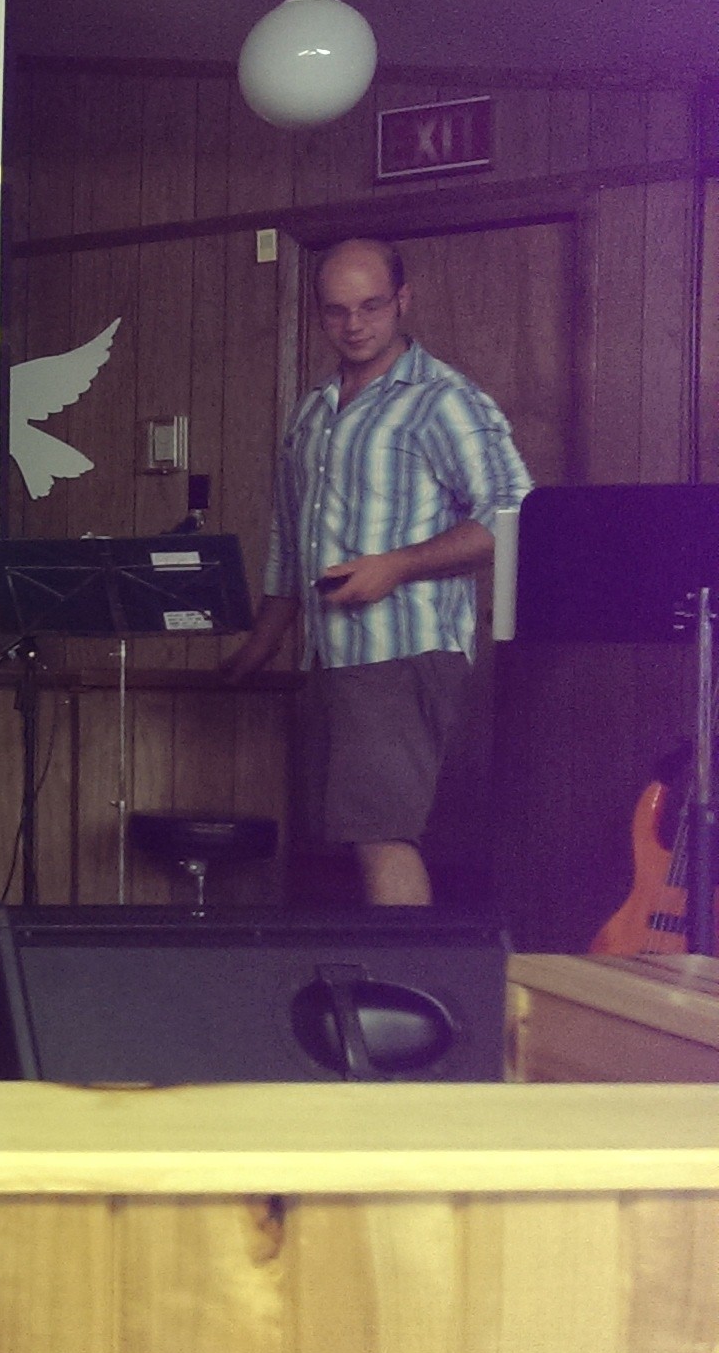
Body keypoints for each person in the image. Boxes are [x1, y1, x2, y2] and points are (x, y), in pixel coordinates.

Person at [221, 237, 532, 906]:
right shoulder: (313, 410)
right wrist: (258, 647)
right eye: (336, 311)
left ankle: (408, 973)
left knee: (380, 836)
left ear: (403, 300)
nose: (354, 324)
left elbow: (514, 515)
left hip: (402, 654)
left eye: (371, 306)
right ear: (318, 313)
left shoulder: (443, 399)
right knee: (338, 846)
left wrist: (398, 566)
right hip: (327, 660)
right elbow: (289, 542)